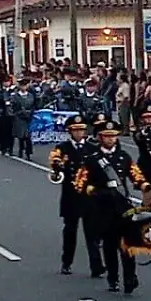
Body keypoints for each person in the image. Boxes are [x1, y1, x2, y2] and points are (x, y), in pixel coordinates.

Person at [73, 121, 151, 294]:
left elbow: (136, 175)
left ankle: (130, 277)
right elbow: (79, 183)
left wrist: (146, 186)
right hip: (102, 207)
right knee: (110, 245)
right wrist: (92, 190)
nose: (111, 139)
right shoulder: (92, 159)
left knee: (127, 244)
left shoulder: (124, 157)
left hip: (123, 207)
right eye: (107, 136)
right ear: (100, 137)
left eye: (113, 136)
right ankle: (113, 278)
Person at [49, 115, 104, 278]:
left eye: (82, 130)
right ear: (70, 132)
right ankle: (66, 262)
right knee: (70, 231)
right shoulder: (62, 148)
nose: (79, 133)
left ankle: (96, 266)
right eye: (76, 131)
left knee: (92, 233)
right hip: (71, 195)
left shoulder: (93, 148)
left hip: (89, 196)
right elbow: (54, 162)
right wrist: (57, 166)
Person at [12, 78, 36, 161]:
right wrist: (21, 112)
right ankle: (21, 150)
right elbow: (14, 107)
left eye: (25, 86)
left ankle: (29, 153)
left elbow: (33, 106)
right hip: (19, 117)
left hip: (29, 117)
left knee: (28, 137)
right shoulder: (15, 96)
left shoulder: (31, 95)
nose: (24, 87)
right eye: (22, 86)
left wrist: (30, 113)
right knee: (21, 136)